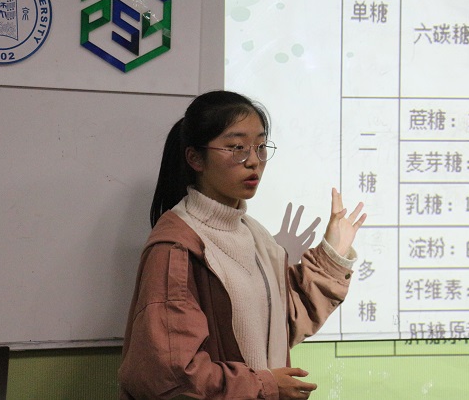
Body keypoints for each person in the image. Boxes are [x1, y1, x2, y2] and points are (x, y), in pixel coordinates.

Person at [118, 90, 367, 400]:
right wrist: (265, 386)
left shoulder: (256, 235)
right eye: (237, 148)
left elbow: (282, 321)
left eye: (260, 147)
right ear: (195, 158)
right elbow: (171, 374)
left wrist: (333, 254)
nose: (253, 161)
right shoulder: (177, 248)